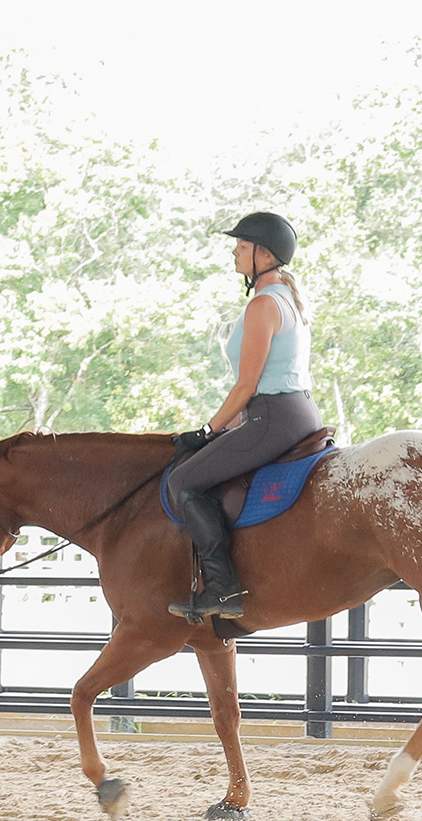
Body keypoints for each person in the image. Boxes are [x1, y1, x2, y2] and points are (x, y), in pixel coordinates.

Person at [167, 211, 324, 621]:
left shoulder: (263, 306)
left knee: (183, 479)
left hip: (273, 417)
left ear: (264, 255)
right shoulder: (287, 299)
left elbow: (247, 386)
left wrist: (205, 432)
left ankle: (222, 589)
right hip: (296, 411)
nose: (235, 255)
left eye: (241, 248)